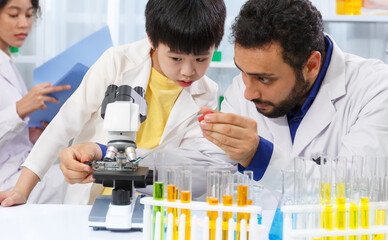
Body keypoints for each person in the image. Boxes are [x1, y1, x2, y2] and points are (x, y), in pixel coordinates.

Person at [0, 0, 235, 207]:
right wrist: (22, 190)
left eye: (201, 58)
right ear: (152, 39)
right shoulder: (117, 62)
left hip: (154, 200)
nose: (188, 71)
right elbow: (63, 125)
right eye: (176, 58)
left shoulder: (207, 93)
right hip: (94, 196)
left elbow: (188, 162)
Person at [200, 0, 388, 207]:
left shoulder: (376, 89)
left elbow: (357, 190)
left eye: (264, 79)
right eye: (242, 71)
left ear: (311, 65)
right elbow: (214, 170)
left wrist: (259, 156)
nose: (248, 93)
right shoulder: (242, 87)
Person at [0, 0, 70, 204]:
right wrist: (20, 109)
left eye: (29, 15)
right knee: (89, 185)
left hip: (19, 172)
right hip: (8, 183)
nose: (24, 24)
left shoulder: (8, 61)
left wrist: (29, 135)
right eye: (14, 15)